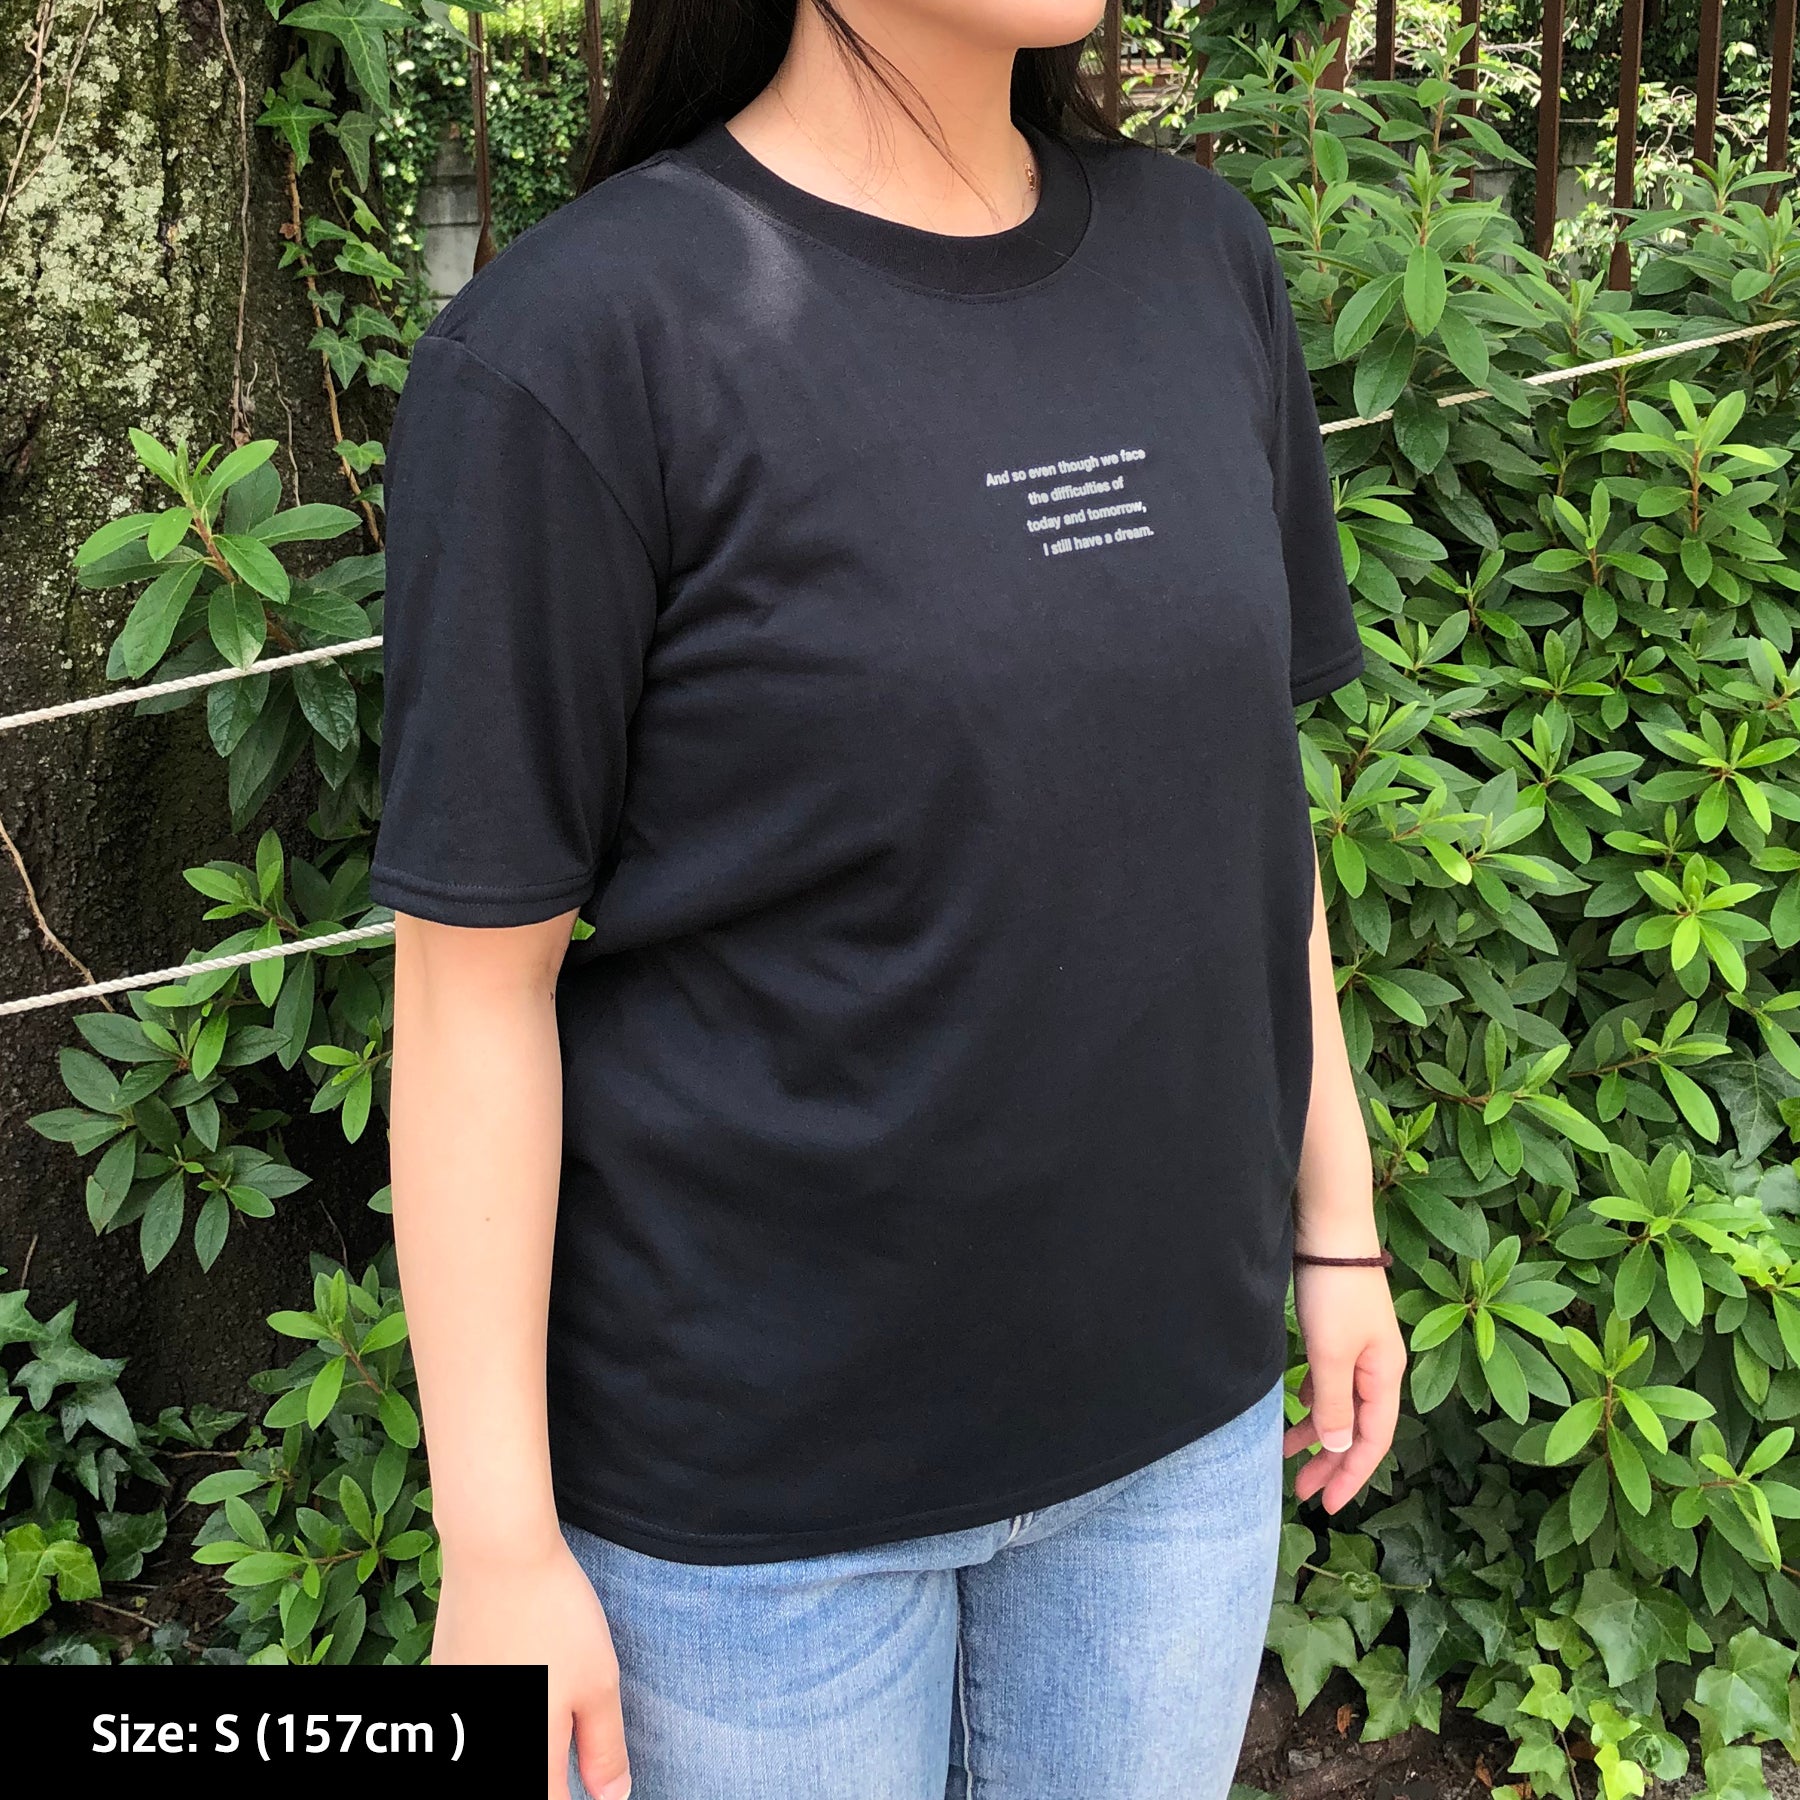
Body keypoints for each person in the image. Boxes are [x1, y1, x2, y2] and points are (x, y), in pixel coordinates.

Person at [371, 2, 1408, 1796]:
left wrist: (1338, 1224)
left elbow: (1247, 809)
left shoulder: (1199, 260)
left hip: (1174, 1440)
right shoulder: (580, 344)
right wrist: (500, 1547)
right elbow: (473, 993)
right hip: (752, 1532)